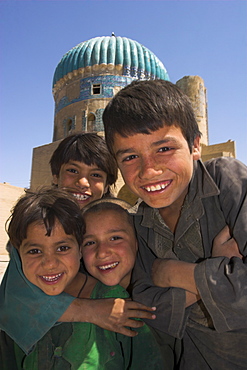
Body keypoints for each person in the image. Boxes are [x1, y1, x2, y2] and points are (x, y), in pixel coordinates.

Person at [102, 79, 247, 369]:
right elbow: (146, 303)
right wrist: (219, 278)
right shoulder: (141, 222)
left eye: (164, 148)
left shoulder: (225, 181)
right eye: (130, 156)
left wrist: (174, 274)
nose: (149, 169)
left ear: (195, 145)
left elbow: (160, 294)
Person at [0, 133, 155, 354]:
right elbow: (16, 299)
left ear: (108, 184)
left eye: (95, 175)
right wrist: (91, 311)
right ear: (56, 176)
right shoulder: (37, 228)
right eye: (73, 171)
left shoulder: (119, 222)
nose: (83, 183)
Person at [0, 189, 163, 369]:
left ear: (79, 249)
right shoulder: (16, 305)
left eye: (62, 248)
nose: (49, 264)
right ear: (18, 254)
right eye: (34, 251)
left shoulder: (117, 304)